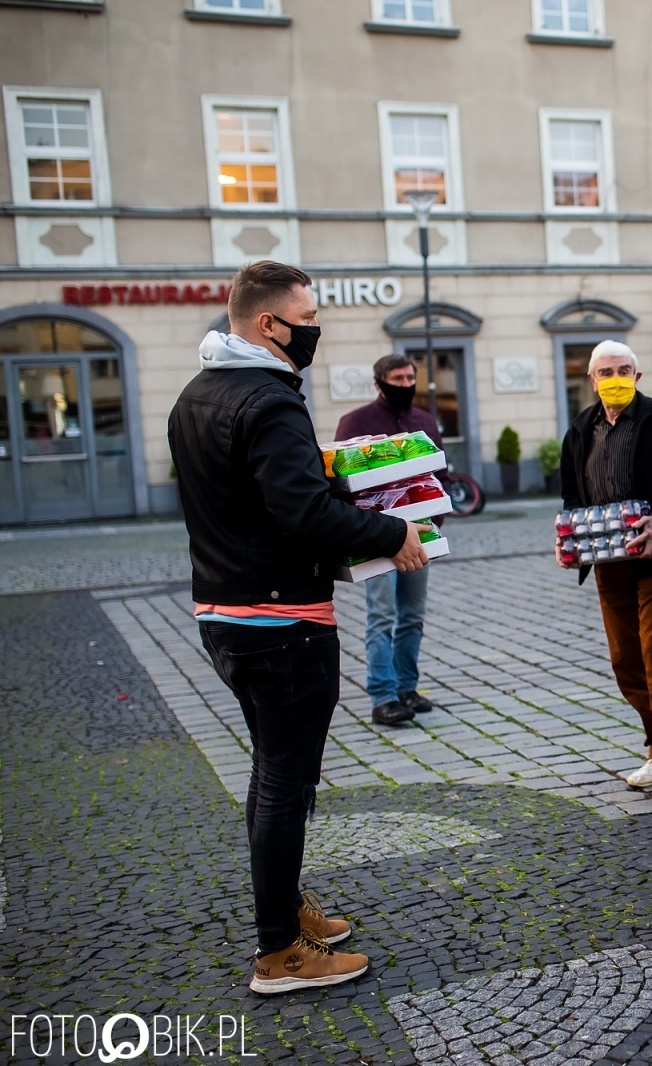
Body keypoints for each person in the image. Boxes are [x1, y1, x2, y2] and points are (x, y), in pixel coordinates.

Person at [170, 260, 429, 994]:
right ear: (267, 324)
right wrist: (392, 532)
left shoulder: (196, 394)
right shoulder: (269, 400)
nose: (316, 327)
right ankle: (279, 950)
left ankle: (284, 909)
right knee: (285, 783)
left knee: (271, 772)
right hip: (282, 619)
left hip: (223, 611)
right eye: (307, 317)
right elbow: (302, 512)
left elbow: (245, 500)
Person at [560, 340, 652, 800]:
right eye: (606, 372)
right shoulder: (580, 430)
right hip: (608, 563)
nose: (615, 378)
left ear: (637, 376)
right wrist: (572, 536)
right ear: (592, 379)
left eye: (624, 370)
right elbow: (572, 496)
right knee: (626, 662)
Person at [335, 353, 446, 727]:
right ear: (379, 383)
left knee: (412, 615)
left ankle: (406, 687)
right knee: (381, 615)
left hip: (419, 535)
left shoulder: (424, 422)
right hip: (375, 538)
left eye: (410, 378)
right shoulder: (355, 423)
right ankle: (382, 696)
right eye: (397, 379)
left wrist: (434, 521)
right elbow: (341, 485)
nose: (405, 384)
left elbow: (438, 475)